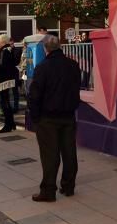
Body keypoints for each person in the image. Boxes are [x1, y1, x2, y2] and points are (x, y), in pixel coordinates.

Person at [27, 34, 81, 202]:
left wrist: (35, 117)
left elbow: (34, 95)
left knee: (50, 155)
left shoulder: (43, 67)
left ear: (45, 48)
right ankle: (68, 186)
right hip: (68, 115)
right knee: (69, 152)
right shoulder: (73, 65)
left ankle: (48, 191)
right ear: (59, 46)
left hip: (47, 118)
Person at [0, 34, 19, 133]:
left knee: (5, 103)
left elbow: (2, 66)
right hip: (7, 79)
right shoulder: (8, 49)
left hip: (4, 80)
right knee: (6, 101)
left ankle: (7, 125)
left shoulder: (4, 51)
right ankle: (11, 123)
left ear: (2, 42)